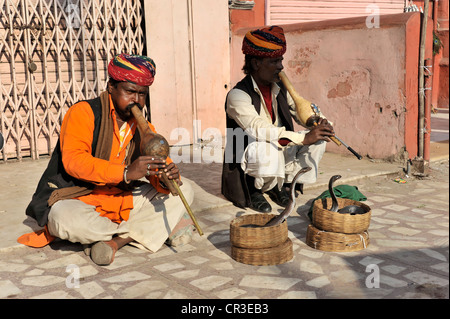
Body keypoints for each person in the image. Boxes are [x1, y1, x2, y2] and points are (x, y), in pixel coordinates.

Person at [18, 53, 195, 266]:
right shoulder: (83, 112)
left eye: (142, 94)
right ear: (111, 86)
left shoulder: (143, 128)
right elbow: (75, 162)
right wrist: (126, 172)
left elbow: (158, 166)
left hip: (121, 197)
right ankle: (147, 230)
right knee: (64, 220)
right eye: (130, 91)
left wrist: (166, 177)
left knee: (186, 191)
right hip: (79, 197)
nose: (136, 101)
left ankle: (115, 242)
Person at [222, 26, 334, 213]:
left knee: (318, 139)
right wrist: (303, 138)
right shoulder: (237, 95)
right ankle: (255, 190)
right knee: (266, 144)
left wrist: (318, 121)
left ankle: (283, 185)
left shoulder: (280, 87)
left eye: (280, 60)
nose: (281, 66)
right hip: (253, 156)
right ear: (256, 63)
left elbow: (300, 112)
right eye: (275, 61)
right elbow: (258, 129)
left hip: (280, 148)